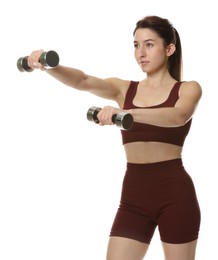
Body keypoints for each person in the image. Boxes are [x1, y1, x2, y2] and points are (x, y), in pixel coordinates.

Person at [27, 15, 202, 260]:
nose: (141, 52)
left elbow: (178, 116)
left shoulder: (188, 88)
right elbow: (83, 80)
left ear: (169, 48)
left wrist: (127, 113)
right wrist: (49, 66)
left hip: (175, 193)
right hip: (134, 196)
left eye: (149, 44)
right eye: (136, 45)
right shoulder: (124, 89)